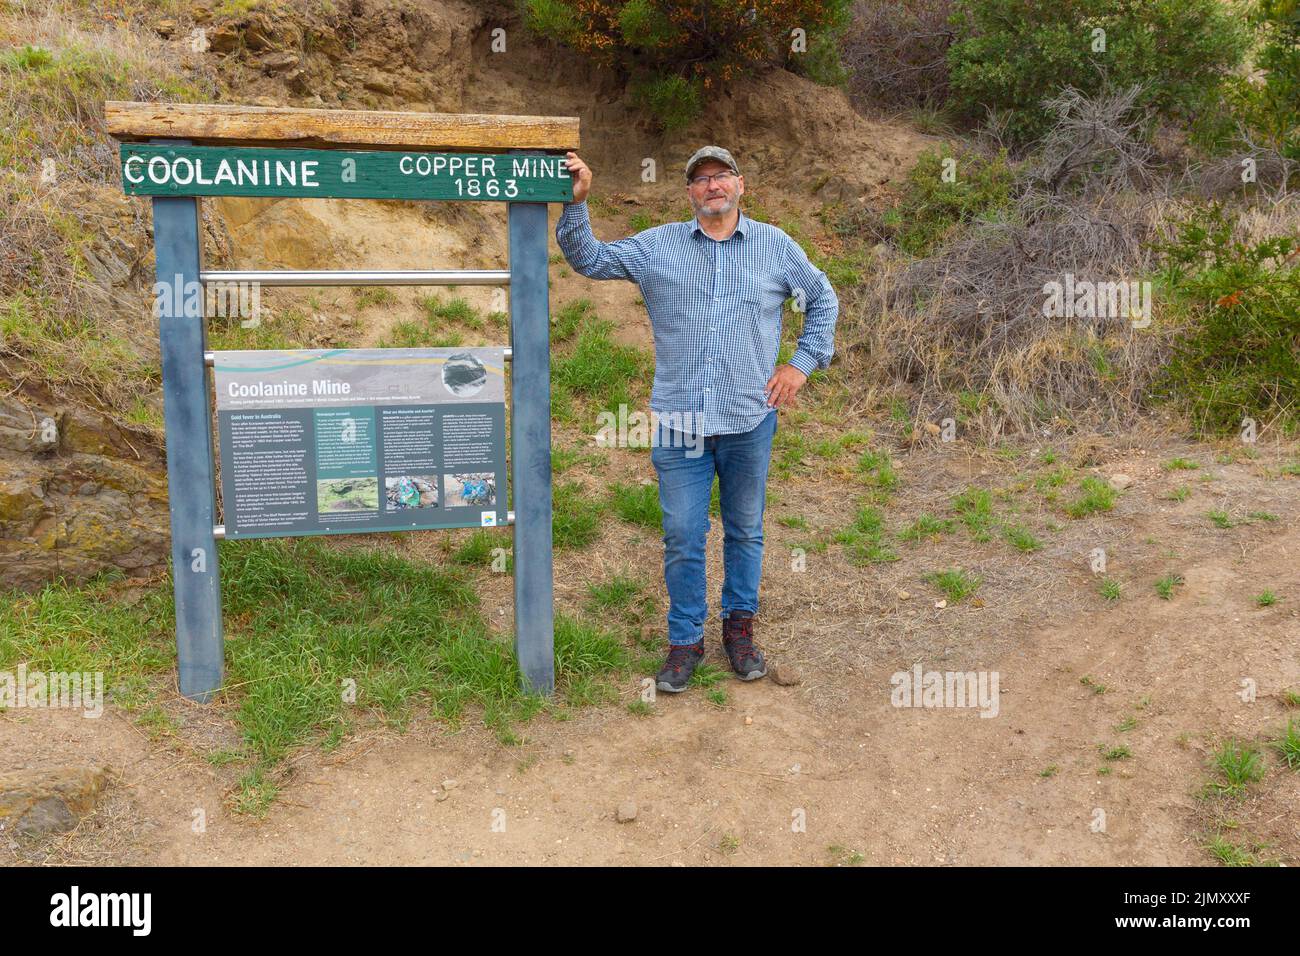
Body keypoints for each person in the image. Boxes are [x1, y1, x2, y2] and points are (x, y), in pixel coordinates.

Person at [555, 145, 838, 693]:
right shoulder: (658, 247)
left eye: (722, 175)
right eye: (701, 178)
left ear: (740, 185)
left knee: (744, 531)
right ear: (689, 193)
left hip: (748, 421)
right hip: (680, 424)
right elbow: (587, 259)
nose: (712, 185)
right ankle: (685, 641)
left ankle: (739, 632)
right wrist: (576, 204)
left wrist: (801, 365)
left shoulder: (774, 246)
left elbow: (822, 299)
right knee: (684, 535)